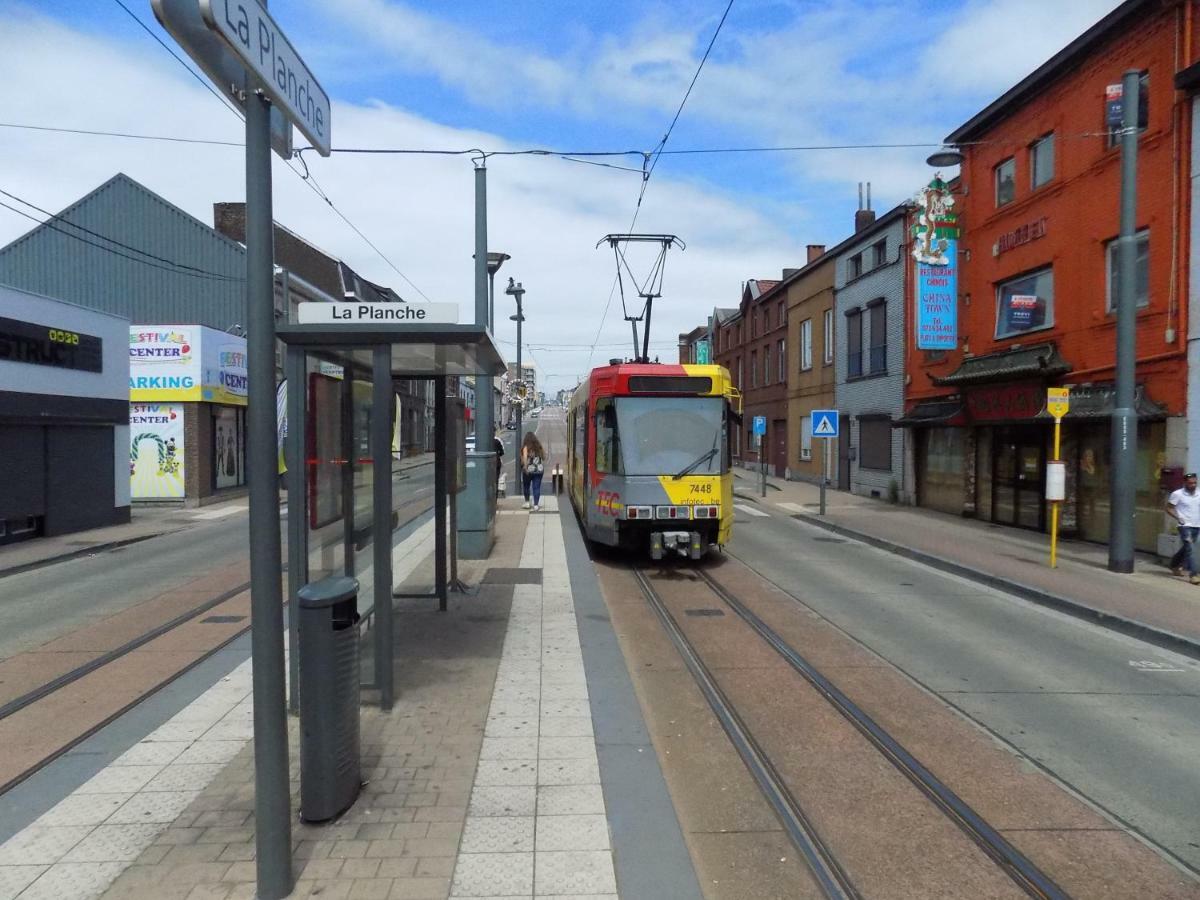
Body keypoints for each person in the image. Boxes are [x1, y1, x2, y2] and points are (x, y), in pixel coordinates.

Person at [1166, 472, 1200, 584]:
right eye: (1190, 483)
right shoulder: (1177, 494)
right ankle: (1194, 575)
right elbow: (1169, 508)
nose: (1193, 485)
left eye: (1195, 482)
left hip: (1197, 525)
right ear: (1185, 482)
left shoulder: (1199, 493)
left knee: (1186, 548)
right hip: (1184, 525)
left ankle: (1174, 565)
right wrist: (1178, 518)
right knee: (1190, 548)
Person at [520, 431, 545, 511]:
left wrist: (525, 467)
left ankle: (527, 502)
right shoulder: (539, 446)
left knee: (526, 486)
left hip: (529, 470)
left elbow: (524, 458)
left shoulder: (526, 447)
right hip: (539, 470)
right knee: (536, 487)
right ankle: (536, 505)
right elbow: (544, 457)